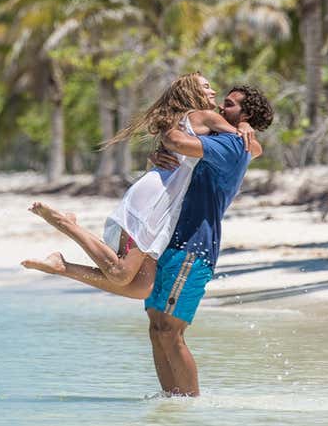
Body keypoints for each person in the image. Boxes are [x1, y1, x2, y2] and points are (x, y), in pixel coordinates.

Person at [24, 84, 274, 397]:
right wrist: (159, 155)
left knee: (170, 330)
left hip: (193, 247)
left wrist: (174, 127)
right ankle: (171, 405)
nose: (220, 111)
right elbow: (181, 157)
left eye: (229, 106)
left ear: (246, 115)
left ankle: (191, 407)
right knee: (157, 329)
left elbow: (179, 141)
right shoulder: (225, 137)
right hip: (169, 240)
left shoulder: (234, 145)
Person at [22, 72, 259, 300]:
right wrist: (246, 127)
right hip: (154, 200)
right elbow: (251, 147)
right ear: (191, 93)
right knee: (121, 273)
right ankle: (66, 224)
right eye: (206, 87)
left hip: (162, 199)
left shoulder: (183, 120)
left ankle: (63, 267)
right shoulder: (204, 116)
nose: (213, 91)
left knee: (141, 288)